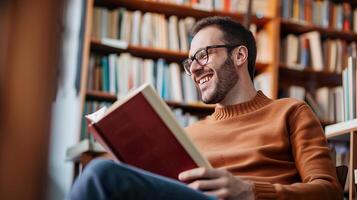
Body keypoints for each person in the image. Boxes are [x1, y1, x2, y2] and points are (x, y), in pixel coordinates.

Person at [67, 16, 342, 200]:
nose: (195, 69)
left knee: (99, 174)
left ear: (239, 55)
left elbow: (329, 191)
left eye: (203, 54)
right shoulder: (187, 135)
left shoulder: (290, 112)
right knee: (103, 169)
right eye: (189, 63)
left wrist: (250, 192)